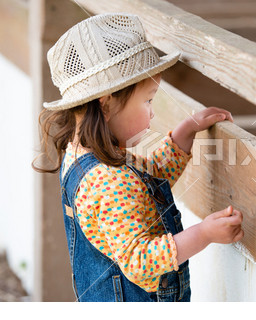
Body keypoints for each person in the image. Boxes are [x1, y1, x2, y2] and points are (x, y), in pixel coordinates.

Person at [32, 12, 244, 302]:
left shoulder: (84, 156)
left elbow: (150, 179)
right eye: (148, 100)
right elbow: (140, 262)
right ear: (106, 104)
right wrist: (204, 234)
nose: (153, 112)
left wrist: (186, 130)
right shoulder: (107, 181)